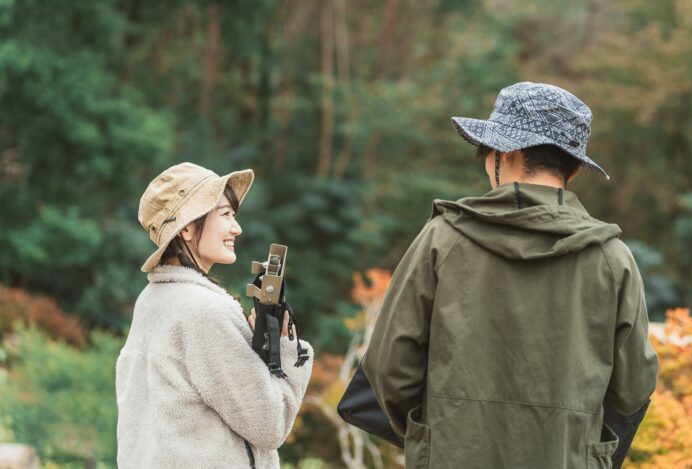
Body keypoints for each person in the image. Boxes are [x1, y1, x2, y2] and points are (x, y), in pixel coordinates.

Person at [361, 82, 659, 468]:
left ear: (508, 153)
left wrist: (435, 435)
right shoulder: (611, 258)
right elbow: (633, 387)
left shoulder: (443, 239)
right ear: (571, 166)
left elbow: (389, 368)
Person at [116, 162, 313, 469]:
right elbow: (269, 424)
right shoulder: (205, 311)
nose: (237, 228)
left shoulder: (152, 300)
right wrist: (286, 347)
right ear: (187, 228)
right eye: (225, 215)